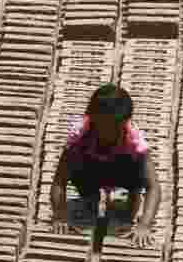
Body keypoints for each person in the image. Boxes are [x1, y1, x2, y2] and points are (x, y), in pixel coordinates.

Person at [51, 82, 160, 248]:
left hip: (122, 169)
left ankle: (133, 198)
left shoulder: (134, 142)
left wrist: (144, 224)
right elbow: (59, 180)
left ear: (124, 122)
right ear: (92, 118)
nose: (108, 131)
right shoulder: (80, 135)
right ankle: (90, 196)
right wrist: (60, 215)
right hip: (91, 168)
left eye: (115, 127)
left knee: (131, 198)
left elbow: (154, 187)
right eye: (102, 125)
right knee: (86, 190)